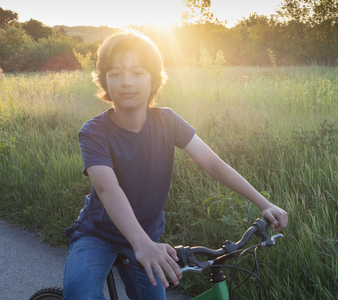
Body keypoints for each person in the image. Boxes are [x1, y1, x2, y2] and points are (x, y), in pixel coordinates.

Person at [62, 28, 288, 300]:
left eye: (137, 73)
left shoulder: (167, 122)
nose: (126, 82)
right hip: (98, 235)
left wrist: (264, 203)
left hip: (147, 238)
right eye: (115, 74)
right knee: (79, 294)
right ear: (105, 82)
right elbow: (107, 188)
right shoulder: (94, 131)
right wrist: (141, 244)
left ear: (154, 79)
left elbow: (213, 164)